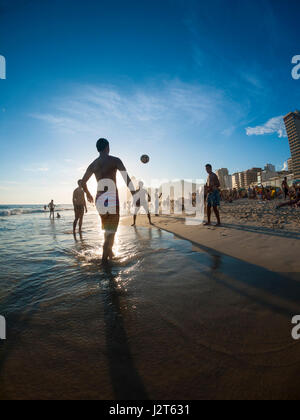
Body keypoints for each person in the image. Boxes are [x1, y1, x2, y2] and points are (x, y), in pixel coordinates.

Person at [81, 138, 134, 263]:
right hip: (111, 198)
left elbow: (83, 182)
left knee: (107, 229)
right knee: (111, 232)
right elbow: (126, 178)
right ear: (107, 147)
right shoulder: (115, 160)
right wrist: (134, 193)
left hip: (99, 198)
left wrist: (88, 194)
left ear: (98, 149)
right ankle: (104, 264)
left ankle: (110, 254)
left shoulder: (93, 164)